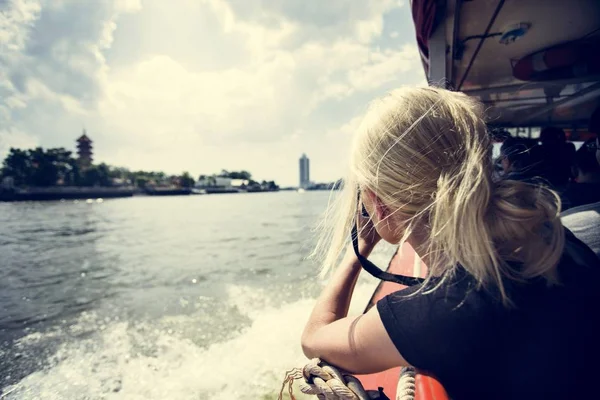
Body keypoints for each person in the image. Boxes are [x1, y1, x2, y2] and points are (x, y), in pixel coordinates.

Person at [301, 87, 600, 400]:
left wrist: (360, 248)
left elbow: (314, 338)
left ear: (376, 203)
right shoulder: (554, 240)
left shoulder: (443, 308)